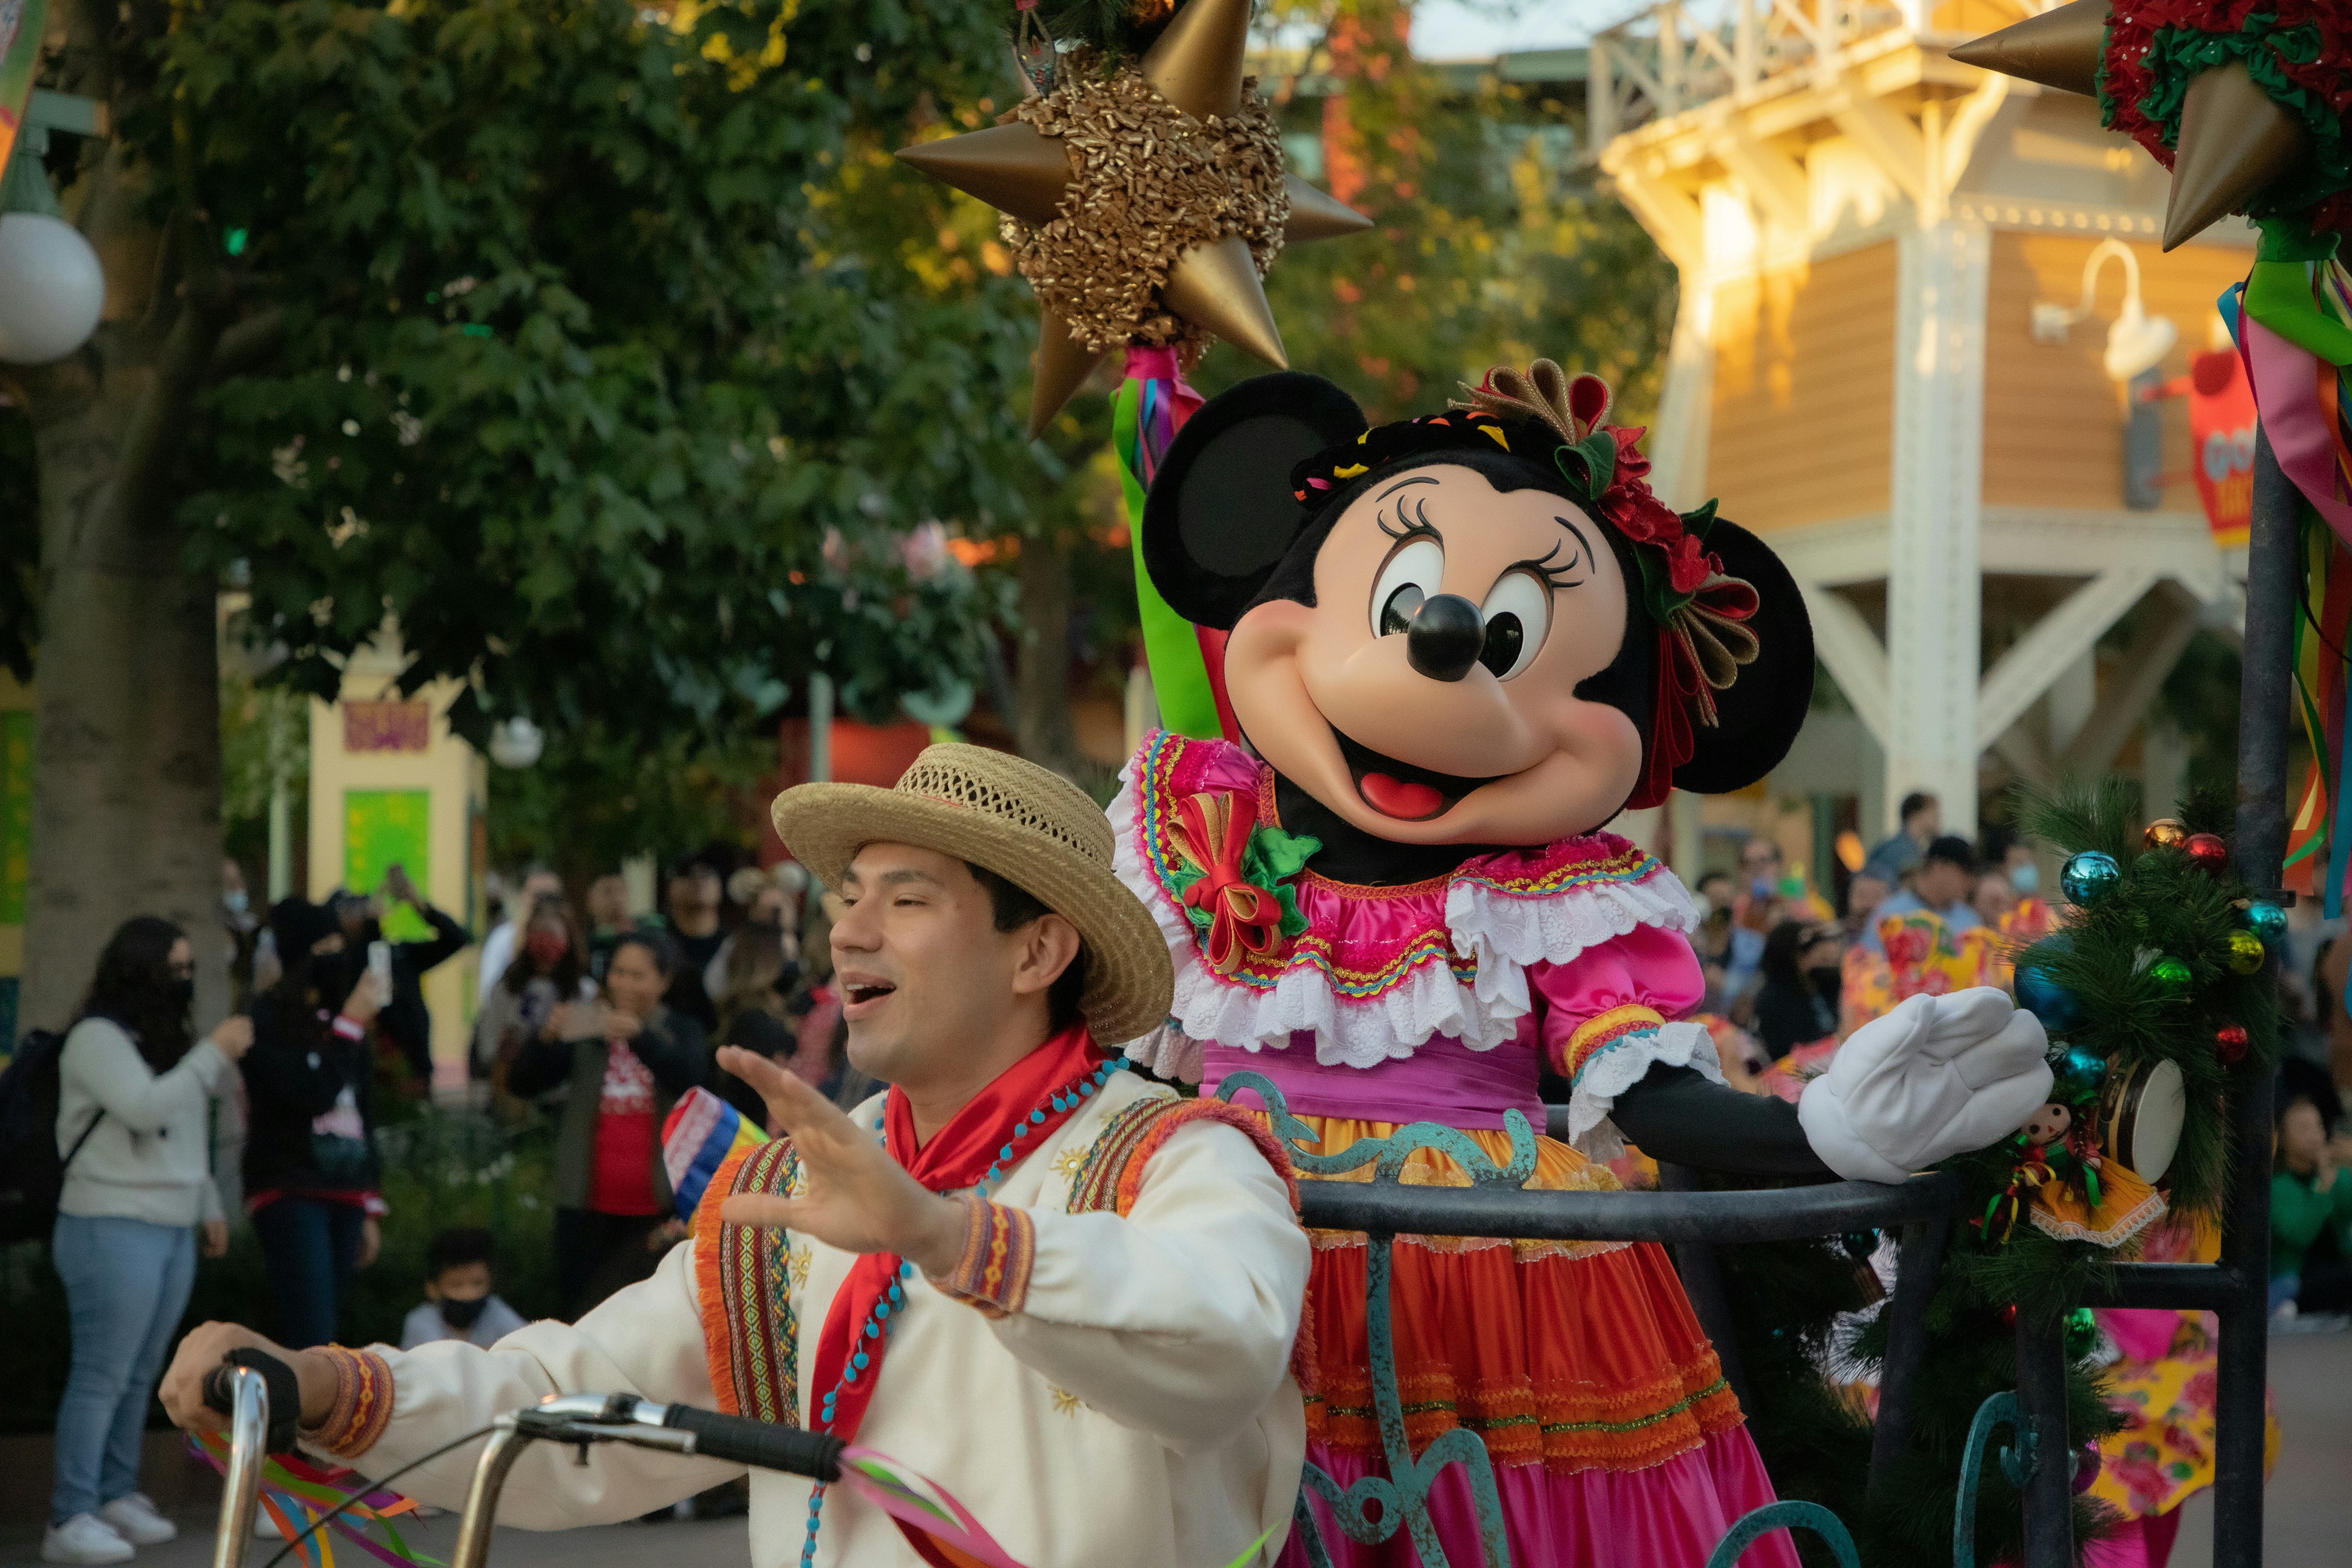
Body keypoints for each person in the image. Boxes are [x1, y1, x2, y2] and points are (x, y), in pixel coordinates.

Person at [160, 744, 1311, 1568]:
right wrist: (327, 1385)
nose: (848, 930)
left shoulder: (1173, 1157)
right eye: (848, 897)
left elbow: (1224, 1350)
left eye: (907, 900)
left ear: (1038, 951)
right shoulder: (805, 1180)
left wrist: (948, 1236)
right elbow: (584, 1402)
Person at [44, 919, 253, 1566]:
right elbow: (144, 1107)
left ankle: (114, 1493)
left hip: (169, 1225)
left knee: (139, 1373)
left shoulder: (165, 1041)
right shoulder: (95, 1038)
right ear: (137, 971)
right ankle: (69, 1514)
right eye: (173, 969)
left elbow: (186, 1130)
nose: (183, 981)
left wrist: (207, 1204)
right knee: (101, 1374)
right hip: (109, 1222)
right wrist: (212, 1054)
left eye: (190, 969)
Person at [506, 930, 710, 1316]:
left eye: (638, 975)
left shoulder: (681, 1029)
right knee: (583, 1310)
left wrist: (641, 1037)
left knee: (651, 1315)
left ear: (664, 981)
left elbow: (694, 1082)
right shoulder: (588, 1027)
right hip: (585, 1205)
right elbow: (523, 1083)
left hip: (657, 1208)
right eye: (618, 973)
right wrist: (546, 1038)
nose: (625, 984)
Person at [243, 898, 389, 1349]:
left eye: (338, 945)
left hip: (346, 1189)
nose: (335, 957)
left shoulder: (344, 1014)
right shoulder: (266, 1020)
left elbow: (363, 1112)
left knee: (331, 1336)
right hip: (292, 1187)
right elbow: (312, 1093)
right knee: (313, 1334)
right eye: (323, 947)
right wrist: (349, 1027)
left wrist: (369, 1200)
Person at [335, 865, 470, 1089]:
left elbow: (456, 939)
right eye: (352, 909)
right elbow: (365, 963)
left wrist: (419, 906)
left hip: (414, 1070)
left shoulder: (398, 954)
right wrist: (372, 925)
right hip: (372, 1075)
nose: (362, 912)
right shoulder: (339, 960)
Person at [472, 897, 597, 1089]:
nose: (545, 946)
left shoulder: (585, 992)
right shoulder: (507, 989)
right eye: (539, 935)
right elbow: (487, 1046)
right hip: (515, 1086)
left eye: (553, 936)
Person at [2270, 1067, 2352, 1319]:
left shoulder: (2336, 1175)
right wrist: (2323, 1190)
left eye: (2317, 1127)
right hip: (2295, 1282)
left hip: (2336, 1271)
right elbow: (2299, 1235)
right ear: (2284, 1139)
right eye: (2304, 1129)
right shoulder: (2278, 1187)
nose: (2315, 1136)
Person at [399, 1228, 528, 1350]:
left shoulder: (499, 1315)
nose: (469, 1293)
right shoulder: (421, 1323)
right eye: (457, 1285)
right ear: (433, 1289)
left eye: (478, 1284)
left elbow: (527, 1346)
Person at [1859, 836, 1981, 956]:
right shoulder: (1891, 914)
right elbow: (1866, 963)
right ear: (1938, 867)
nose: (1971, 882)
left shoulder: (1970, 920)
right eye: (1965, 872)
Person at [1751, 922, 1843, 1061]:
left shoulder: (1827, 983)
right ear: (1791, 955)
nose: (1818, 950)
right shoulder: (1775, 999)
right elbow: (1788, 1051)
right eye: (1807, 948)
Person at [660, 853, 728, 1033]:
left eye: (708, 873)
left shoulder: (735, 945)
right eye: (687, 874)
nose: (699, 881)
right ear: (669, 888)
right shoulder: (657, 944)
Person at [477, 866, 562, 1005]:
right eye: (537, 896)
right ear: (524, 896)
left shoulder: (570, 939)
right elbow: (489, 994)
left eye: (551, 897)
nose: (544, 904)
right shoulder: (503, 939)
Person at [1863, 792, 1939, 886]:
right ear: (1917, 815)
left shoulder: (1914, 850)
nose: (1938, 818)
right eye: (1934, 813)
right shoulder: (1897, 851)